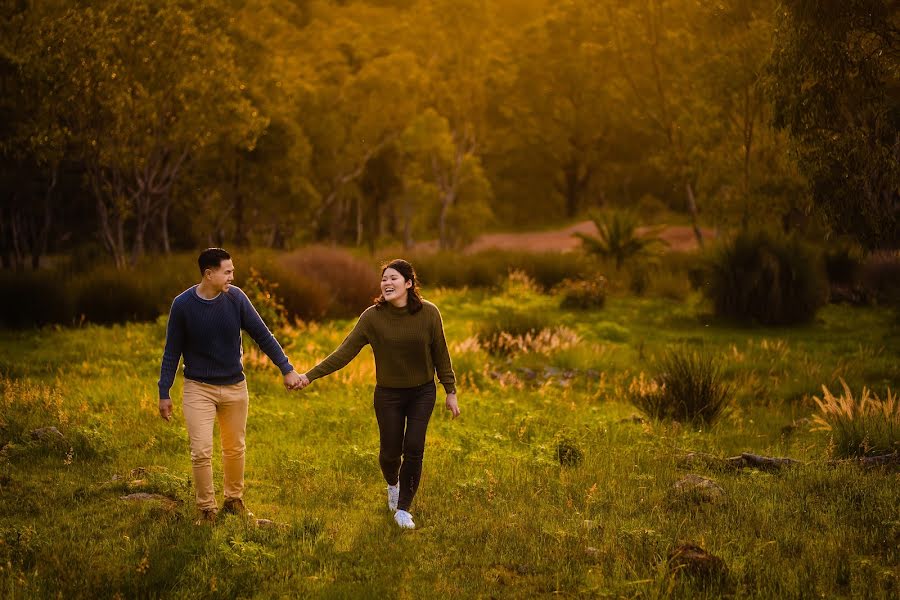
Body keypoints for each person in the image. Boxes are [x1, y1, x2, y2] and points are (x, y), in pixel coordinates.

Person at [297, 259, 460, 530]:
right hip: (388, 395)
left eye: (393, 278)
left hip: (422, 392)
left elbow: (441, 353)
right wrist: (309, 375)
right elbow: (344, 353)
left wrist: (450, 391)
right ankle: (393, 485)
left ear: (409, 283)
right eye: (384, 279)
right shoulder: (372, 317)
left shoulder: (429, 313)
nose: (387, 283)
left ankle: (404, 509)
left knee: (415, 448)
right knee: (389, 453)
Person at [158, 248, 302, 523]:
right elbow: (171, 351)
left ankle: (233, 500)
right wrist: (164, 392)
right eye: (227, 272)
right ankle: (206, 509)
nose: (232, 277)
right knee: (201, 450)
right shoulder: (183, 305)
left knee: (235, 448)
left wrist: (286, 368)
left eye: (232, 272)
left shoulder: (236, 299)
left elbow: (262, 334)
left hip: (235, 387)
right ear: (208, 274)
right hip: (198, 387)